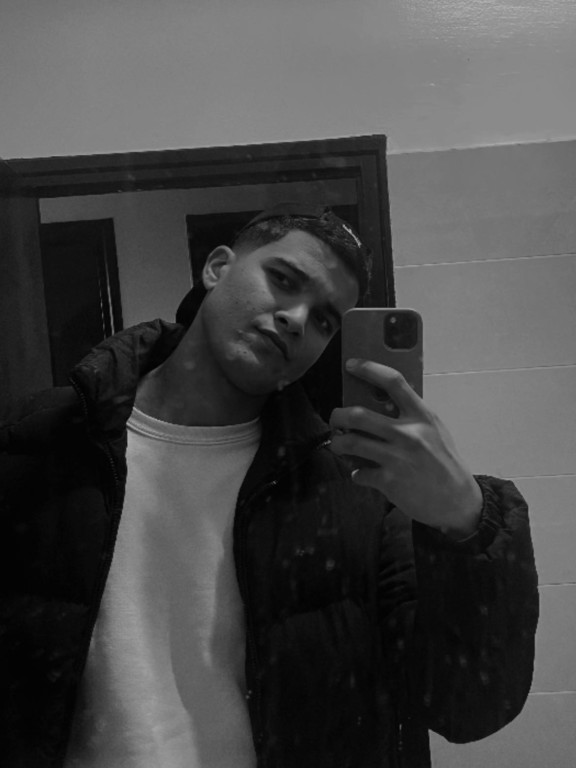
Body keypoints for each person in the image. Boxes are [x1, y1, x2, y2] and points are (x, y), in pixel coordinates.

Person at [0, 202, 538, 768]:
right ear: (217, 267)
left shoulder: (354, 494)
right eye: (283, 280)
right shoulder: (35, 446)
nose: (297, 319)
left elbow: (467, 706)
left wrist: (467, 525)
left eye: (325, 320)